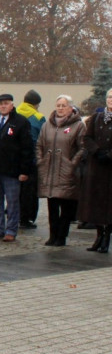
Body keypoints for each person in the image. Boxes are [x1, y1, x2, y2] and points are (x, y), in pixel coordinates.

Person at [0, 93, 33, 242]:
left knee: (12, 202)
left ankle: (11, 230)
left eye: (6, 103)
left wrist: (24, 170)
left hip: (12, 171)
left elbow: (27, 148)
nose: (3, 106)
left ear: (12, 105)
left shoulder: (20, 122)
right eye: (1, 103)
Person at [36, 95, 86, 246]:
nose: (60, 108)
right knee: (52, 206)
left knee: (66, 207)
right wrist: (40, 161)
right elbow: (39, 145)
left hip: (67, 171)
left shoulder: (78, 125)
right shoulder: (47, 125)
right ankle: (52, 235)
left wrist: (72, 163)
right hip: (49, 170)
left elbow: (83, 147)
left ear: (70, 108)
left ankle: (61, 236)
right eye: (58, 105)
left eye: (64, 105)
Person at [79, 88, 112, 253]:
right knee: (96, 204)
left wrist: (109, 154)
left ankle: (107, 237)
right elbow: (87, 137)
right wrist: (96, 151)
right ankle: (98, 236)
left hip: (110, 168)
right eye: (109, 97)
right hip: (96, 166)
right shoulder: (97, 117)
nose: (111, 100)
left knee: (109, 205)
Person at [17, 89, 45, 229]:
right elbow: (43, 138)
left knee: (14, 190)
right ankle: (26, 218)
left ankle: (13, 216)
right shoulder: (38, 118)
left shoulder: (13, 113)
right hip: (31, 159)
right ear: (36, 104)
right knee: (30, 191)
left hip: (13, 159)